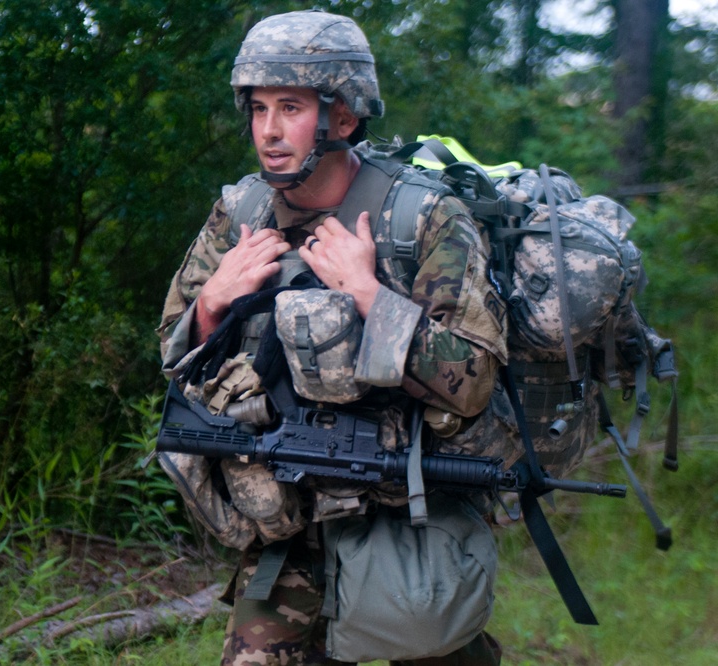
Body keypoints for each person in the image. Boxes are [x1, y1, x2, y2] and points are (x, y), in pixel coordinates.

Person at [157, 9, 508, 666]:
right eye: (258, 108)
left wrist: (370, 295)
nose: (268, 130)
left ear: (343, 117)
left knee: (438, 649)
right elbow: (172, 357)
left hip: (411, 512)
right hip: (290, 516)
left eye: (289, 106)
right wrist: (211, 304)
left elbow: (475, 382)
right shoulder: (240, 214)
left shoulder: (422, 217)